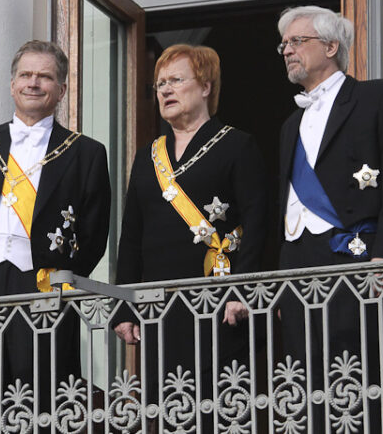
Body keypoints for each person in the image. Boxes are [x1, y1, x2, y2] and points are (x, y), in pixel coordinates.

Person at [276, 6, 383, 429]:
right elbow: (287, 207)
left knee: (363, 379)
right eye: (283, 44)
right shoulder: (291, 123)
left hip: (359, 258)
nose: (287, 50)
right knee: (311, 383)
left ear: (331, 46)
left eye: (297, 41)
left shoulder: (379, 96)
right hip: (302, 265)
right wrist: (284, 285)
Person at [0, 40, 110, 408]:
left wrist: (63, 278)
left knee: (41, 393)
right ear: (12, 83)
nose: (33, 83)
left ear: (62, 89)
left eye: (45, 77)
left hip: (42, 283)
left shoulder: (86, 152)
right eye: (26, 75)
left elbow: (95, 232)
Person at [113, 44, 267, 426]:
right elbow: (131, 235)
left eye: (176, 80)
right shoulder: (148, 155)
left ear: (205, 87)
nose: (165, 90)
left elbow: (259, 221)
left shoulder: (237, 144)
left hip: (219, 302)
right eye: (160, 83)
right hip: (160, 305)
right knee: (164, 411)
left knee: (220, 410)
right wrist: (124, 306)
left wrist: (242, 290)